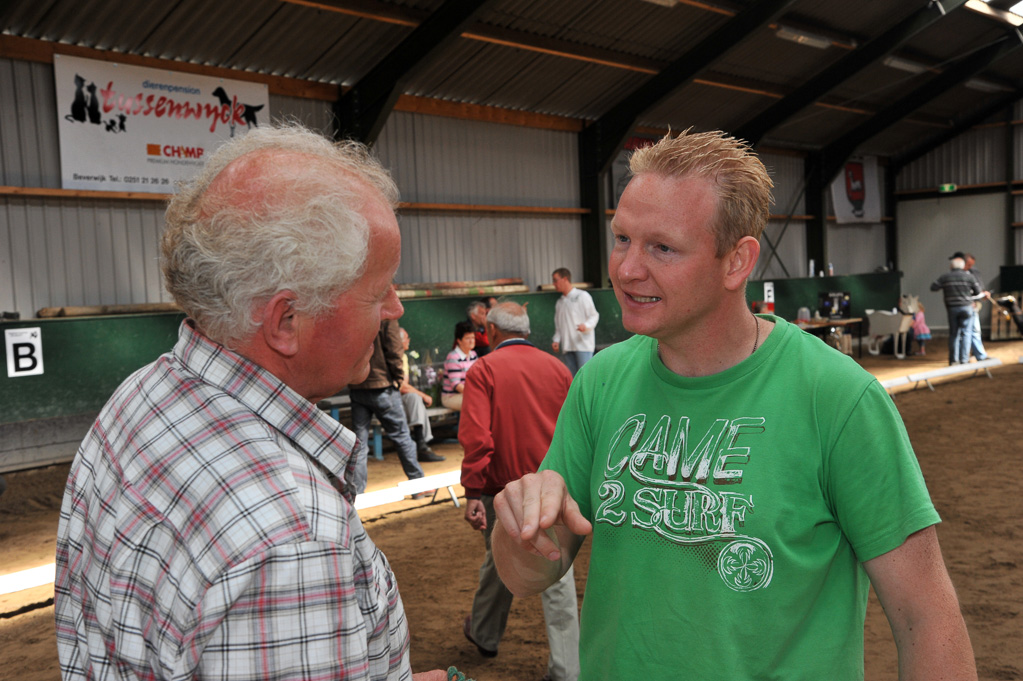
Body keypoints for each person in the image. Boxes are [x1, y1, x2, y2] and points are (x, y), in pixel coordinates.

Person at [492, 130, 976, 680]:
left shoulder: (836, 398)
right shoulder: (601, 383)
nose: (626, 269)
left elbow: (926, 618)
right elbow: (527, 575)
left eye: (662, 247)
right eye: (622, 238)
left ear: (736, 262)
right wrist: (519, 530)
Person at [54, 124, 446, 681]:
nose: (394, 307)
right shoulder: (289, 540)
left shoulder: (141, 398)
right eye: (377, 288)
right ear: (287, 321)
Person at [458, 302, 580, 681]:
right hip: (552, 486)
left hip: (503, 490)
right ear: (526, 331)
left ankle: (491, 637)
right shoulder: (559, 369)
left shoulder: (484, 369)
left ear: (492, 331)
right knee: (545, 570)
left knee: (506, 561)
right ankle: (559, 665)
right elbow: (576, 431)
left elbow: (478, 437)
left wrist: (473, 491)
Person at [348, 319, 430, 495]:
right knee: (401, 436)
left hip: (358, 387)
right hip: (383, 386)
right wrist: (398, 378)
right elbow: (394, 349)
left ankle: (356, 493)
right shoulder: (386, 315)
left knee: (359, 444)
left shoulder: (353, 310)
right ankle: (418, 485)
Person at [398, 326, 444, 462]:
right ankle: (421, 444)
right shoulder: (391, 355)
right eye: (406, 338)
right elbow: (401, 386)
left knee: (414, 398)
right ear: (398, 341)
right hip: (389, 399)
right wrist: (423, 395)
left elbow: (403, 383)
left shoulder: (404, 357)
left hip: (401, 399)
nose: (409, 341)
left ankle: (422, 444)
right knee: (415, 397)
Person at [932, 254, 984, 365]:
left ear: (951, 266)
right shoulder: (969, 277)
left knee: (954, 334)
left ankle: (953, 360)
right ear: (963, 266)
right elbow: (978, 292)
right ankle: (964, 360)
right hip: (967, 308)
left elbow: (933, 287)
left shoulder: (945, 277)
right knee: (967, 333)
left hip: (952, 309)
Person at [551, 268, 599, 375]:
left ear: (565, 279)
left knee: (586, 376)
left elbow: (594, 315)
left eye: (555, 280)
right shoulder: (559, 302)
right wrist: (556, 340)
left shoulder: (582, 296)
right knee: (572, 379)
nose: (554, 284)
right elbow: (558, 325)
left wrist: (586, 326)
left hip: (583, 345)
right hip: (567, 346)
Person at [442, 320, 478, 411]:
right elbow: (456, 385)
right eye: (467, 338)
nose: (471, 341)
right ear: (459, 341)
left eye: (473, 338)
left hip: (468, 394)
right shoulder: (453, 357)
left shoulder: (473, 355)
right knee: (476, 402)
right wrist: (475, 393)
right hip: (451, 397)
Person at [963, 252, 991, 361]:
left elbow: (979, 288)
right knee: (969, 331)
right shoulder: (960, 274)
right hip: (966, 305)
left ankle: (976, 354)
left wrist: (983, 294)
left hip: (973, 304)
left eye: (971, 265)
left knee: (974, 330)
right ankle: (967, 356)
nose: (969, 267)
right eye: (968, 265)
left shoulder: (975, 272)